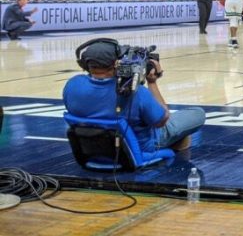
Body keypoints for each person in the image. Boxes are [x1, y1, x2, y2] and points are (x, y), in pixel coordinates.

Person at [63, 39, 205, 154]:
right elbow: (162, 120)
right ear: (116, 63)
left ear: (85, 64)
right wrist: (152, 82)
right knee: (197, 114)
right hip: (139, 147)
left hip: (92, 147)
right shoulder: (136, 92)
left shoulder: (71, 85)